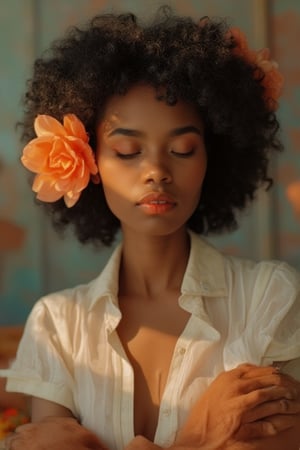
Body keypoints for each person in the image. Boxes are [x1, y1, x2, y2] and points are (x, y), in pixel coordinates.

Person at [0, 6, 300, 450]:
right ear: (91, 162)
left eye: (182, 148)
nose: (156, 170)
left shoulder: (269, 299)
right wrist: (201, 433)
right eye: (127, 150)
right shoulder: (57, 326)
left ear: (211, 158)